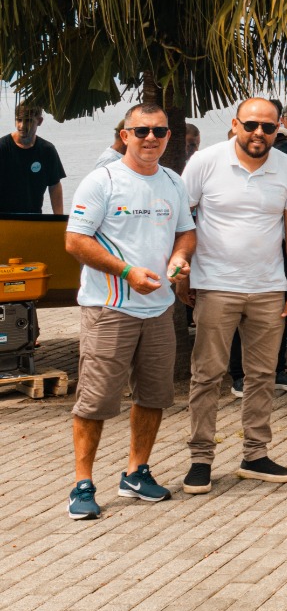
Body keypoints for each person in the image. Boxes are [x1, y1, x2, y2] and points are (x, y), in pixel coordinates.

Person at [64, 104, 196, 519]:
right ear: (125, 136)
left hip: (158, 309)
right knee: (95, 401)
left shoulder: (173, 181)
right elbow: (75, 241)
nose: (150, 138)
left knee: (154, 396)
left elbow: (186, 232)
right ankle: (82, 484)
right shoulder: (102, 181)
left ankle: (136, 473)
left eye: (159, 131)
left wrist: (180, 258)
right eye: (141, 131)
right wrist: (125, 271)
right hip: (109, 308)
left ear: (168, 136)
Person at [177, 97, 287, 493]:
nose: (259, 133)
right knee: (207, 375)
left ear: (278, 129)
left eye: (268, 127)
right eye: (251, 125)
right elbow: (181, 220)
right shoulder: (206, 162)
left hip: (269, 288)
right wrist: (182, 273)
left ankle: (255, 454)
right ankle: (201, 459)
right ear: (235, 125)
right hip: (216, 285)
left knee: (262, 376)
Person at [0, 103, 66, 214]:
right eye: (19, 120)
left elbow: (54, 185)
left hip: (34, 218)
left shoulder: (47, 150)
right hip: (4, 218)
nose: (22, 126)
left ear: (39, 121)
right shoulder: (3, 148)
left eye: (28, 121)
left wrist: (59, 219)